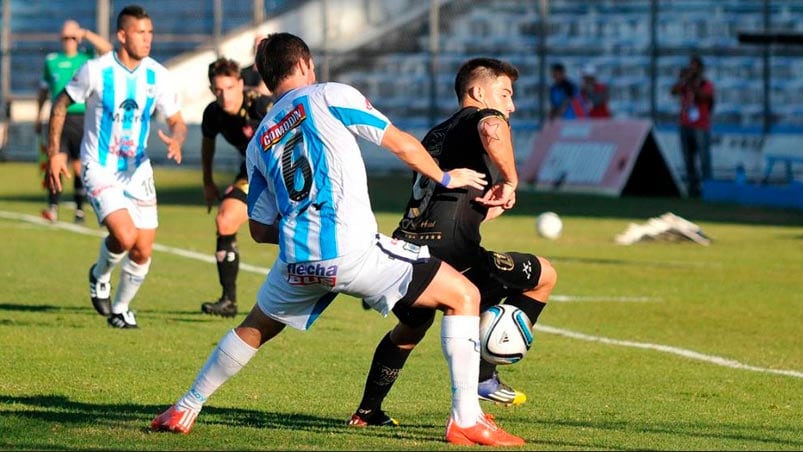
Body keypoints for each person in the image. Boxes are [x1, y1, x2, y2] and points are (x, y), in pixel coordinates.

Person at [150, 32, 524, 446]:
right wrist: (446, 176)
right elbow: (399, 142)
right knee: (464, 295)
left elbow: (257, 230)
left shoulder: (259, 140)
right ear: (307, 65)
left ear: (268, 78)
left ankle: (186, 405)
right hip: (351, 249)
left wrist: (302, 231)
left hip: (297, 261)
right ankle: (466, 418)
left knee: (254, 327)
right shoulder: (328, 95)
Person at [347, 58, 557, 427]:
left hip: (406, 251)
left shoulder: (438, 133)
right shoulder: (483, 118)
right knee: (544, 276)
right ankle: (484, 375)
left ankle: (366, 412)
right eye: (505, 94)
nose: (511, 105)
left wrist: (487, 203)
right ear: (477, 93)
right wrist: (510, 179)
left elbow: (447, 193)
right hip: (452, 253)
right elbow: (493, 128)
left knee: (410, 329)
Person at [44, 4, 187, 329]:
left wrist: (177, 137)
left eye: (150, 32)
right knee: (124, 235)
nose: (147, 39)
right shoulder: (96, 70)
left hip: (138, 171)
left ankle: (120, 310)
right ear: (122, 35)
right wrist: (55, 152)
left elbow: (177, 120)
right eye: (140, 32)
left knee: (142, 250)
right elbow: (61, 103)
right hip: (100, 166)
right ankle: (100, 274)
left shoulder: (157, 74)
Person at [199, 57, 273, 318]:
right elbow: (207, 143)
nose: (224, 96)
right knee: (225, 220)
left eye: (230, 88)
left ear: (241, 84)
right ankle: (228, 301)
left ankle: (366, 281)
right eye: (218, 90)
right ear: (211, 90)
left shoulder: (261, 106)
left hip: (286, 176)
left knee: (307, 232)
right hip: (253, 174)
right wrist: (208, 182)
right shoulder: (213, 113)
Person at [36, 19, 113, 223]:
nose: (69, 41)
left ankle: (79, 210)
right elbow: (43, 91)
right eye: (65, 38)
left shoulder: (87, 59)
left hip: (82, 117)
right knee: (56, 159)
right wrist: (38, 115)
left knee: (79, 166)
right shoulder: (52, 60)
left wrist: (86, 33)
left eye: (72, 37)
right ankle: (52, 206)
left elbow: (108, 50)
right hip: (59, 117)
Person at [670, 54, 715, 198]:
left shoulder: (705, 84)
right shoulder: (685, 84)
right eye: (691, 67)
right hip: (685, 125)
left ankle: (709, 189)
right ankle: (692, 190)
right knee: (688, 160)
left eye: (694, 67)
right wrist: (683, 80)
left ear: (700, 69)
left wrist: (691, 83)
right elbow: (673, 91)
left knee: (704, 159)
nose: (692, 70)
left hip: (700, 126)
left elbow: (704, 97)